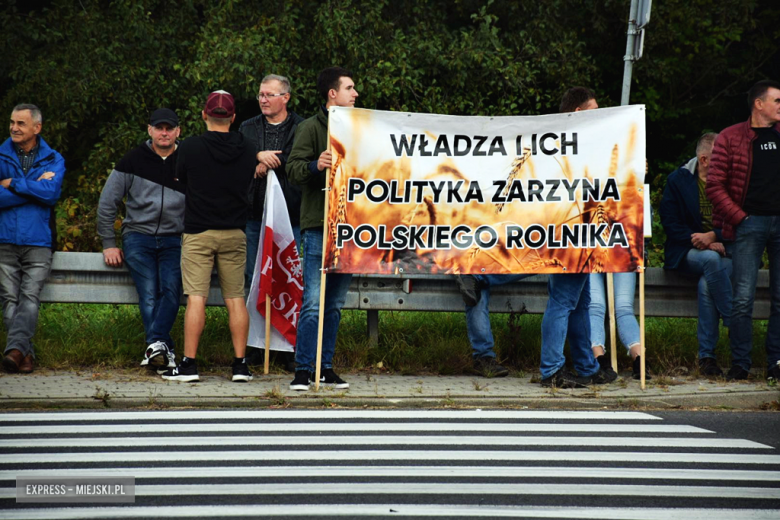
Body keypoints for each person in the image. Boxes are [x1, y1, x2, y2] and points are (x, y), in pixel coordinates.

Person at [161, 91, 257, 383]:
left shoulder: (190, 146)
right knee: (235, 298)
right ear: (233, 118)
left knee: (196, 299)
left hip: (199, 231)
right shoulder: (248, 147)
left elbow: (181, 177)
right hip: (235, 232)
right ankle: (240, 365)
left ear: (204, 115)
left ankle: (189, 366)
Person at [287, 66, 358, 391]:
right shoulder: (309, 128)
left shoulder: (361, 129)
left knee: (335, 305)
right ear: (333, 94)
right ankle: (303, 369)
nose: (355, 94)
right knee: (313, 302)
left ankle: (325, 367)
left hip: (349, 231)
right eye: (349, 88)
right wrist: (316, 165)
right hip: (318, 226)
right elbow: (293, 169)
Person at [97, 108, 185, 373]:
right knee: (148, 294)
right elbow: (107, 202)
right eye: (159, 128)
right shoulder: (132, 160)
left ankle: (156, 349)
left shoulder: (188, 160)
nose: (164, 133)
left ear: (178, 132)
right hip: (138, 237)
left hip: (174, 239)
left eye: (169, 128)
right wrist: (108, 242)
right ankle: (161, 348)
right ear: (150, 130)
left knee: (171, 291)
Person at [541, 87, 615, 387]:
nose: (600, 116)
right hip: (570, 234)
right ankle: (551, 369)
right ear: (579, 113)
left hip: (579, 233)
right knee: (563, 301)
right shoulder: (564, 145)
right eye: (595, 110)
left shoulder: (566, 143)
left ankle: (585, 366)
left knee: (579, 302)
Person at [706, 79, 780, 382]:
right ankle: (741, 363)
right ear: (758, 104)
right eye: (777, 100)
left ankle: (776, 362)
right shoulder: (730, 137)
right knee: (742, 299)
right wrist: (740, 218)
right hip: (748, 225)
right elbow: (714, 185)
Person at [239, 74, 304, 372]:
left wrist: (267, 161)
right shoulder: (247, 128)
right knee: (256, 280)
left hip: (293, 218)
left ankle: (290, 348)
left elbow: (296, 160)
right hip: (256, 217)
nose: (263, 99)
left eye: (269, 94)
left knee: (290, 282)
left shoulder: (302, 127)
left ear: (285, 97)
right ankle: (255, 346)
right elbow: (237, 159)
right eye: (261, 95)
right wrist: (256, 156)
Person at [0, 104, 65, 374]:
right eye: (12, 122)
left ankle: (14, 351)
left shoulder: (53, 159)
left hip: (39, 240)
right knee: (8, 300)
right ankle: (23, 355)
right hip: (4, 239)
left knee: (28, 297)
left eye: (21, 123)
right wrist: (34, 185)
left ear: (36, 128)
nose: (14, 127)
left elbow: (50, 195)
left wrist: (13, 183)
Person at [660, 133, 732, 377]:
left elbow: (742, 221)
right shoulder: (678, 180)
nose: (727, 161)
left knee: (706, 284)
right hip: (687, 250)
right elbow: (670, 224)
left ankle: (707, 358)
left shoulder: (733, 182)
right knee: (711, 261)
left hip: (727, 251)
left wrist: (715, 236)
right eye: (720, 157)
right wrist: (701, 240)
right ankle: (734, 322)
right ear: (704, 159)